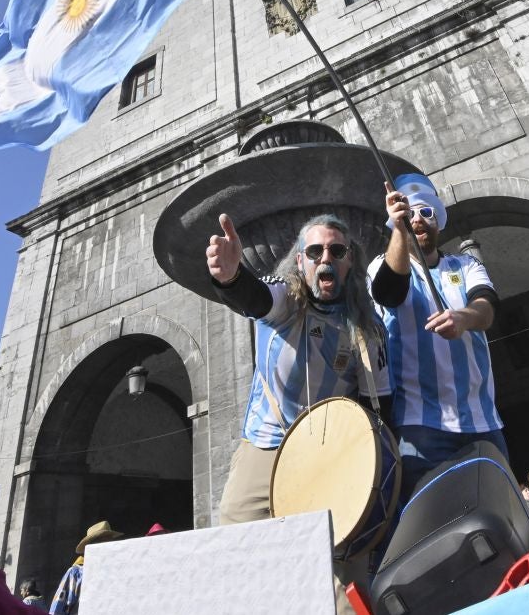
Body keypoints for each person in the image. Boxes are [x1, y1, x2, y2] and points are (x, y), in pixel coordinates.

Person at [207, 212, 391, 524]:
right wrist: (231, 277)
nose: (325, 258)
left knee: (330, 545)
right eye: (315, 251)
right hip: (268, 446)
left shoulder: (367, 327)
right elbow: (257, 299)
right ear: (300, 261)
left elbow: (378, 403)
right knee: (238, 540)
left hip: (328, 456)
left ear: (350, 261)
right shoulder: (286, 299)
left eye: (337, 251)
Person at [371, 174, 504, 499]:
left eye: (426, 212)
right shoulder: (380, 265)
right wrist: (399, 228)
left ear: (439, 222)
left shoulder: (466, 265)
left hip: (482, 421)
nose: (418, 219)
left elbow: (486, 308)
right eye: (410, 213)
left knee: (498, 509)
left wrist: (463, 318)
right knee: (432, 516)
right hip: (419, 424)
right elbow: (388, 292)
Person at [49, 520, 123, 615]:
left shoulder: (117, 572)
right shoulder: (75, 573)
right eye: (103, 543)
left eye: (110, 543)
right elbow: (56, 610)